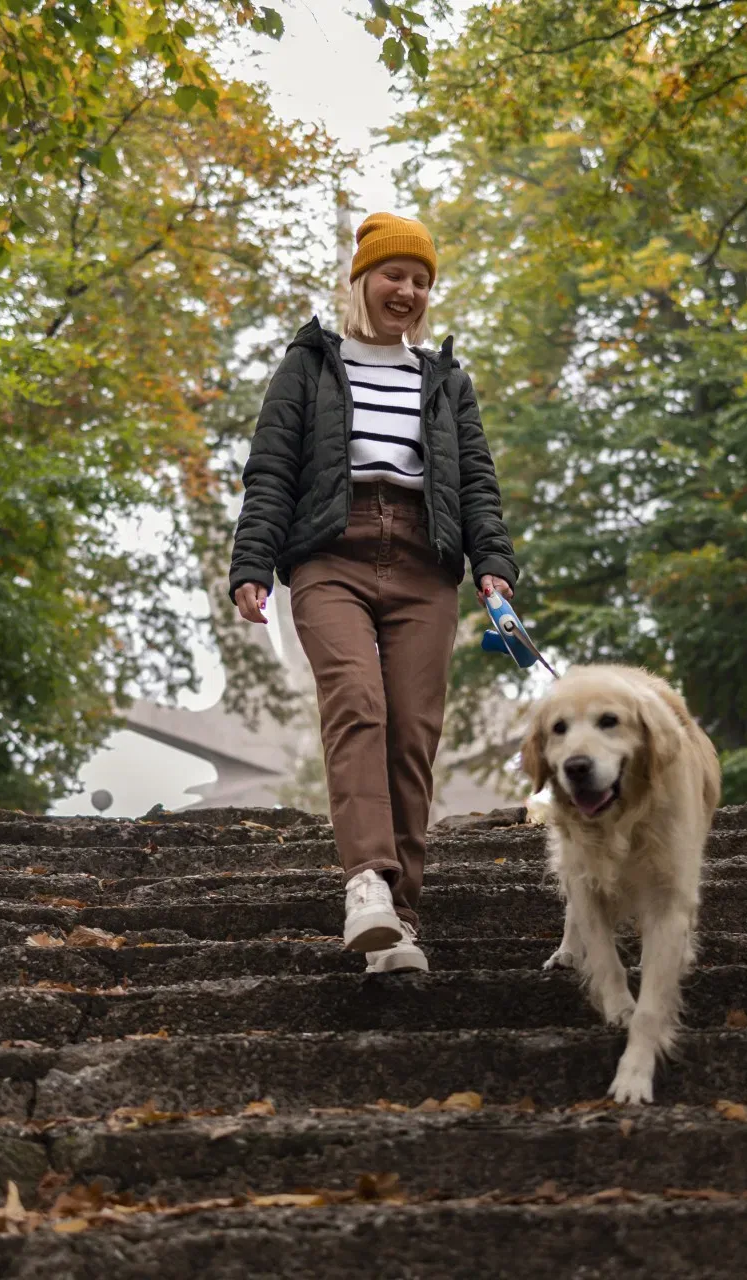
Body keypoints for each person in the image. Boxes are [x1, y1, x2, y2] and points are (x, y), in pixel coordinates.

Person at [227, 212, 518, 973]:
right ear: (363, 279)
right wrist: (251, 564)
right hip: (331, 554)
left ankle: (401, 921)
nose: (409, 291)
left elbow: (477, 482)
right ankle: (366, 884)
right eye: (396, 274)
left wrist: (494, 566)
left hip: (427, 561)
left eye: (422, 281)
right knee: (357, 701)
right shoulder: (310, 366)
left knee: (412, 732)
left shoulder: (445, 381)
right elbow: (271, 469)